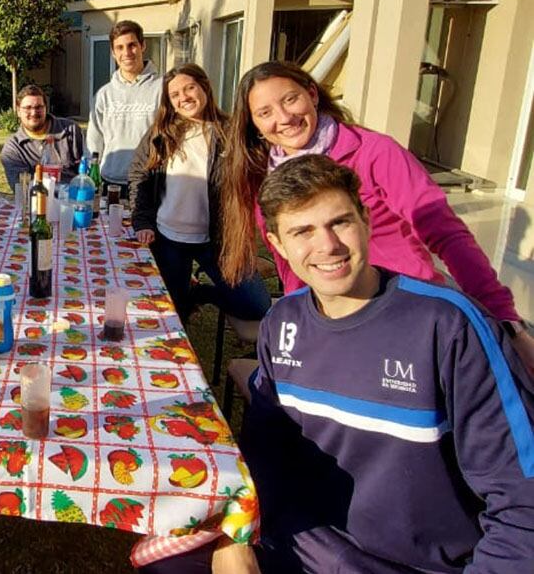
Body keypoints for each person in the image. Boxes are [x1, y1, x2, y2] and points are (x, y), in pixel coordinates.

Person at [241, 154, 534, 572]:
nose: (327, 246)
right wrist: (237, 537)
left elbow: (522, 500)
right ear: (277, 245)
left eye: (339, 222)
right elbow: (264, 452)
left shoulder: (447, 326)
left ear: (366, 221)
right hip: (305, 544)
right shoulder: (282, 322)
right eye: (303, 231)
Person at [219, 61, 534, 369]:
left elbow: (448, 235)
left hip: (401, 315)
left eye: (290, 99)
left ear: (312, 95)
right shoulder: (264, 179)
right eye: (265, 112)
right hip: (331, 324)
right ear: (254, 125)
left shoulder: (375, 153)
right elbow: (291, 267)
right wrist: (303, 325)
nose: (284, 117)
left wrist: (506, 321)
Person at [128, 65, 269, 325]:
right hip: (168, 238)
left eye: (189, 88)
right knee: (173, 311)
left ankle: (202, 292)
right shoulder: (162, 133)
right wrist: (143, 221)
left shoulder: (231, 131)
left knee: (256, 304)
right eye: (175, 94)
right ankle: (185, 295)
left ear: (204, 86)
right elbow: (140, 176)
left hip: (216, 241)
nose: (184, 97)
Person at [86, 20, 160, 199]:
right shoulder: (104, 94)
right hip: (110, 183)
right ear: (113, 52)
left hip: (149, 182)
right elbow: (94, 141)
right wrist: (91, 177)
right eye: (119, 47)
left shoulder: (163, 89)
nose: (126, 53)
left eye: (132, 45)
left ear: (143, 46)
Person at [0, 84, 85, 190]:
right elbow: (21, 187)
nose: (34, 112)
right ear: (18, 111)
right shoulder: (13, 148)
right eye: (27, 108)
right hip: (37, 202)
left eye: (38, 107)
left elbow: (88, 171)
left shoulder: (71, 131)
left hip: (75, 200)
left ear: (46, 108)